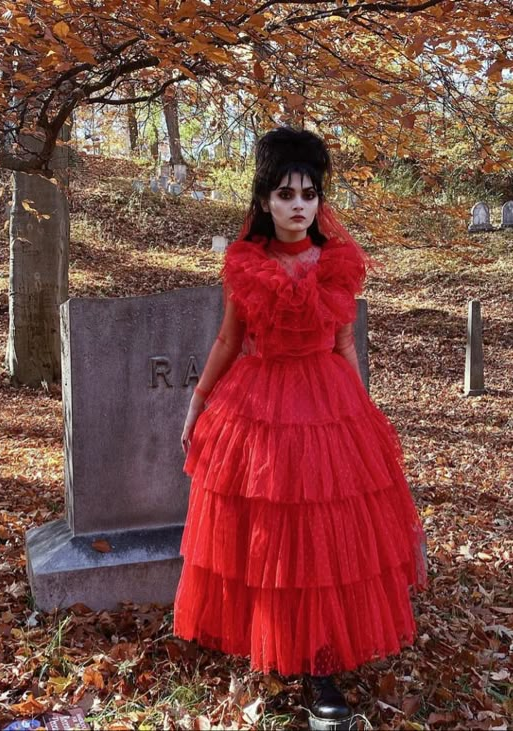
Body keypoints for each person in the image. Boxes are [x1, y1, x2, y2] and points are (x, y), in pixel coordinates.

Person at [174, 127, 428, 731]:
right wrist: (197, 402)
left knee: (322, 534)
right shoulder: (246, 265)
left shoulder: (337, 264)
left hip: (325, 405)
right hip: (260, 405)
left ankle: (320, 665)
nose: (298, 205)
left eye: (309, 194)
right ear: (264, 200)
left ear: (320, 203)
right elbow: (228, 340)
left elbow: (344, 345)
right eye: (285, 193)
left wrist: (360, 417)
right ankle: (275, 637)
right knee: (270, 531)